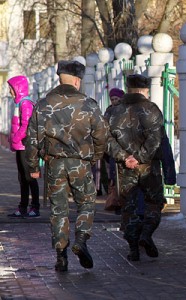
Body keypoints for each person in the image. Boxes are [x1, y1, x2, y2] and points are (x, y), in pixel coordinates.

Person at [26, 60, 109, 272]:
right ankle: (81, 238)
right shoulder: (88, 104)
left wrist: (33, 166)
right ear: (77, 80)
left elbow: (32, 139)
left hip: (54, 164)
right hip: (80, 163)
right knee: (87, 203)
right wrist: (95, 157)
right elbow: (101, 134)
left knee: (58, 209)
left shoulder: (43, 104)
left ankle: (61, 256)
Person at [108, 74, 166, 261]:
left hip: (125, 168)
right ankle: (146, 234)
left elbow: (106, 139)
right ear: (144, 90)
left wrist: (125, 157)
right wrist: (140, 157)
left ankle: (133, 248)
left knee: (129, 207)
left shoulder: (113, 111)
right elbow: (156, 139)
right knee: (154, 202)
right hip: (149, 166)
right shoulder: (152, 109)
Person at [7, 75, 40, 218]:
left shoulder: (25, 104)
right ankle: (23, 207)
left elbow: (25, 126)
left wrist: (15, 138)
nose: (10, 91)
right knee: (22, 178)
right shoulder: (18, 103)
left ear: (18, 88)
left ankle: (35, 207)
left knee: (30, 178)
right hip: (20, 146)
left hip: (25, 146)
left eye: (11, 89)